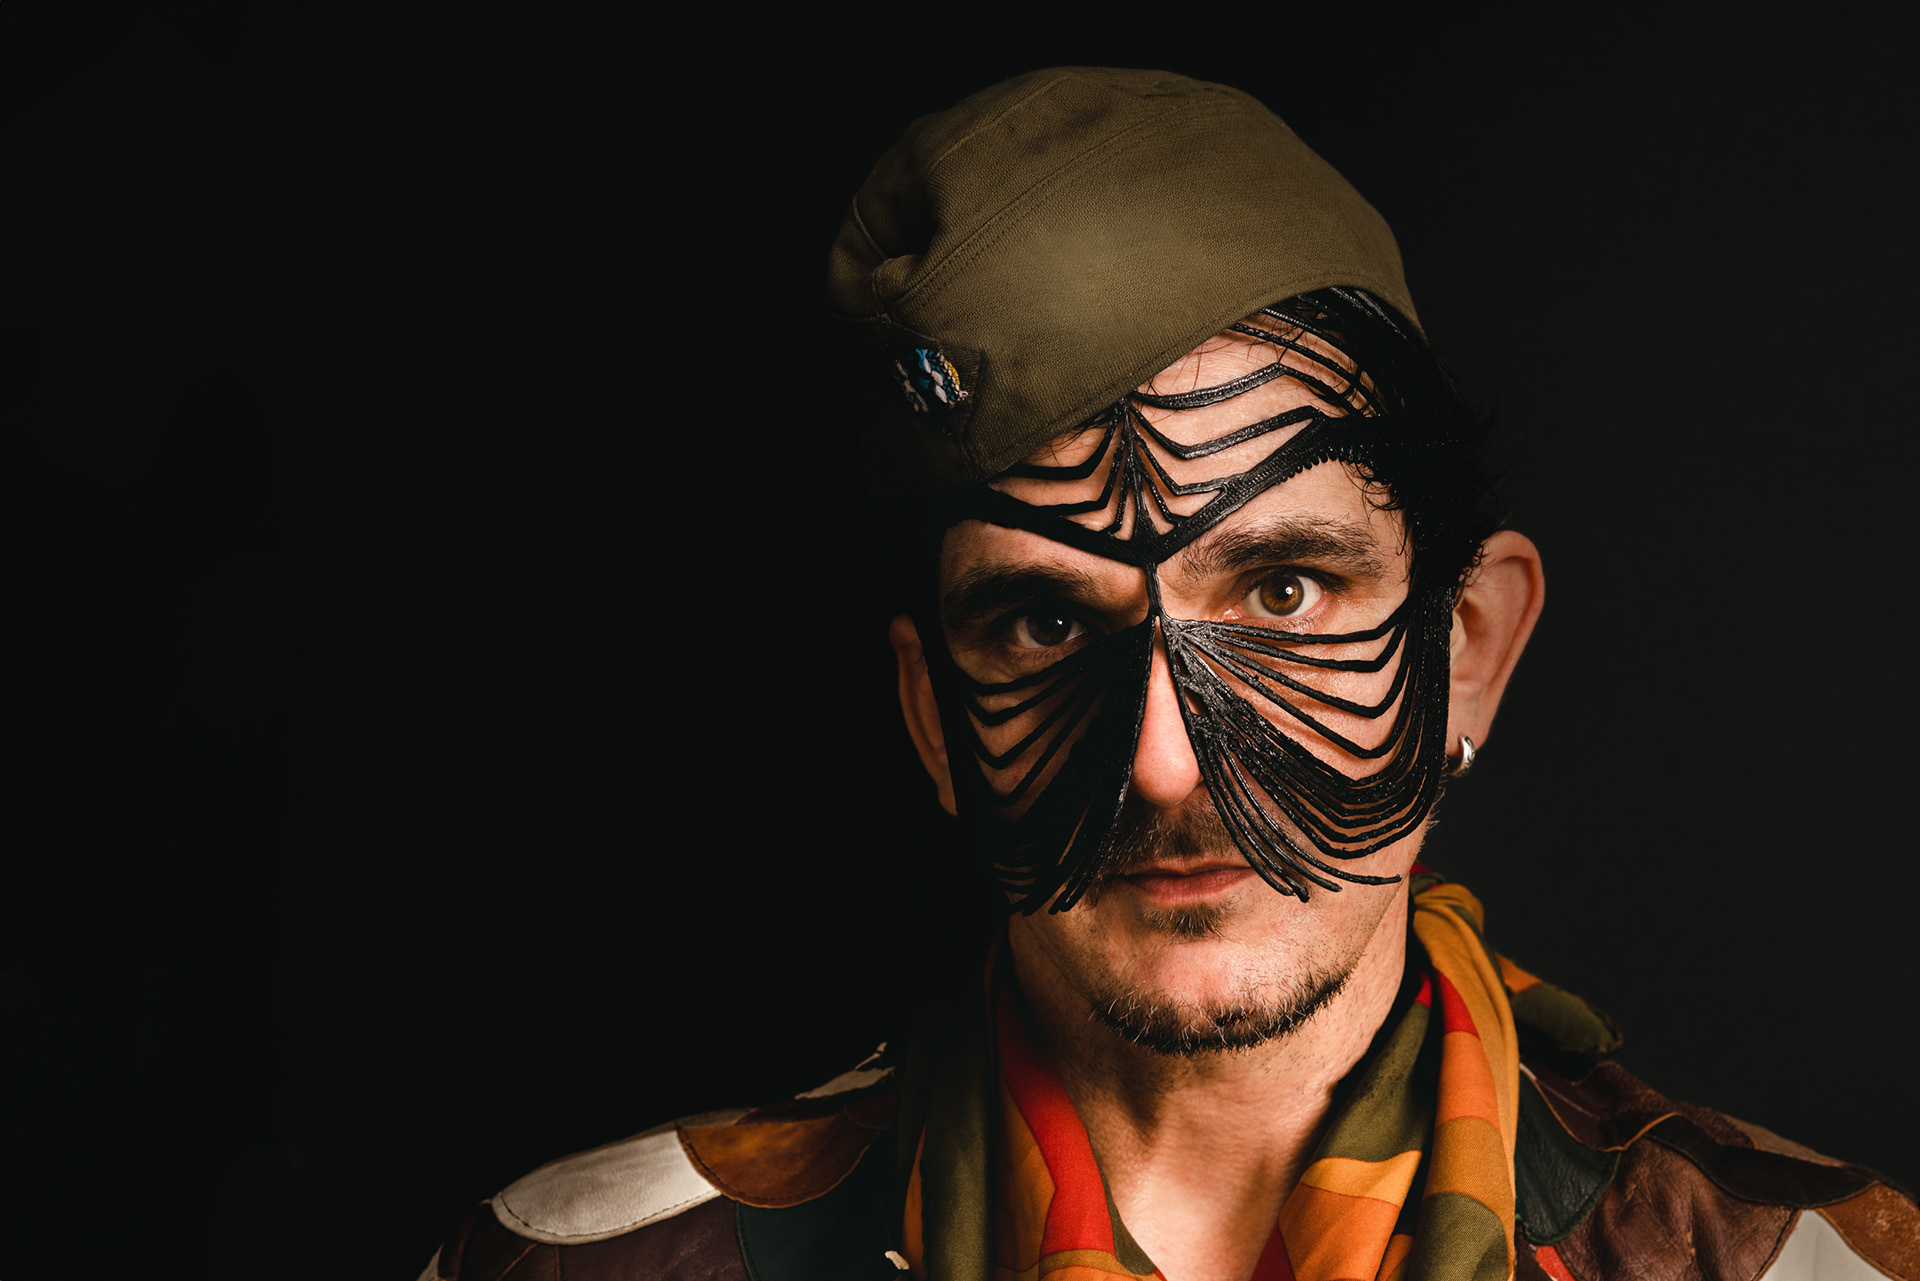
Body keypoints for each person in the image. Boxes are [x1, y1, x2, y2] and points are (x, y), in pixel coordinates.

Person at [416, 68, 1917, 1281]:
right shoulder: (583, 1269)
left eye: (1282, 590)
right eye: (1041, 627)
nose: (1161, 760)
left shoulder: (1804, 1264)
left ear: (1465, 649)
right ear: (933, 719)